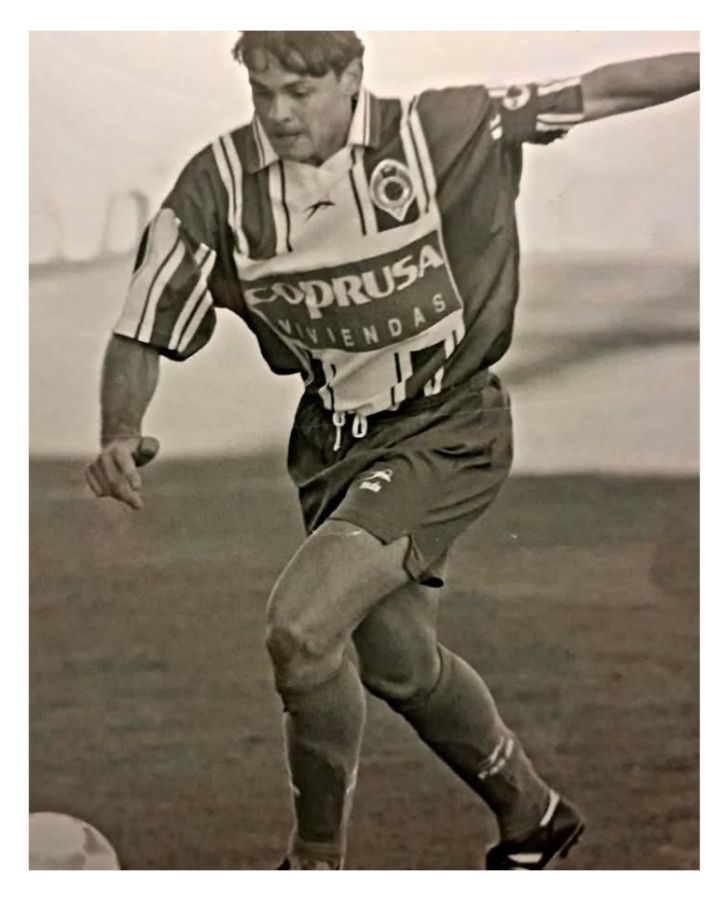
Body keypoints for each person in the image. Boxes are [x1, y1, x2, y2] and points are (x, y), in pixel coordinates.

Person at [84, 32, 699, 870]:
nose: (278, 113)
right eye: (262, 92)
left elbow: (608, 88)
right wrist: (119, 428)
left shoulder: (443, 130)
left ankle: (314, 862)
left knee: (301, 629)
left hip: (448, 427)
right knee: (400, 664)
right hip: (331, 444)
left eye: (299, 91)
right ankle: (533, 815)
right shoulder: (218, 184)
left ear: (352, 77)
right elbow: (142, 323)